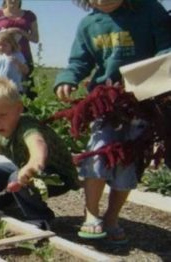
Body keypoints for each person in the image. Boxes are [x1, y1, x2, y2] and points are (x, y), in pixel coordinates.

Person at [54, 0, 171, 244]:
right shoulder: (89, 24)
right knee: (98, 153)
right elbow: (79, 61)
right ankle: (91, 213)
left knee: (127, 161)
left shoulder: (150, 11)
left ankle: (111, 217)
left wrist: (156, 74)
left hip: (144, 102)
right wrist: (67, 78)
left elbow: (166, 48)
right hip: (106, 103)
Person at [0, 77, 78, 227]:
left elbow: (38, 145)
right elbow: (2, 142)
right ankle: (7, 201)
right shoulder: (5, 126)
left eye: (2, 115)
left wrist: (32, 165)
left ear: (18, 108)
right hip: (25, 169)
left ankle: (41, 217)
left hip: (56, 176)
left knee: (16, 177)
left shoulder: (27, 127)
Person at [0, 0, 39, 99]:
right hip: (1, 56)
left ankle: (26, 113)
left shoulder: (29, 15)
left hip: (23, 55)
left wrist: (19, 31)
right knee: (0, 88)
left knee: (27, 88)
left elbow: (35, 39)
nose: (13, 0)